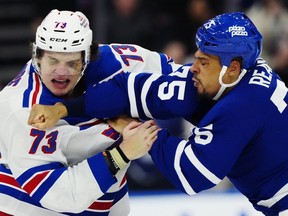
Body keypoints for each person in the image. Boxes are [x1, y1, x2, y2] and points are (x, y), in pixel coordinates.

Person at [29, 12, 288, 215]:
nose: (193, 68)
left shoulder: (242, 106)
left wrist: (145, 135)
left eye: (203, 61)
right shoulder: (233, 75)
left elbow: (193, 174)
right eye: (197, 58)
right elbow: (134, 90)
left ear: (232, 68)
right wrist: (63, 109)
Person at [0, 9, 166, 215]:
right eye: (52, 60)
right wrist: (123, 153)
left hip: (104, 202)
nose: (61, 72)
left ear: (86, 58)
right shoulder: (22, 110)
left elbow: (182, 78)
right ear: (37, 56)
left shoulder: (116, 62)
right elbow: (62, 195)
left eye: (71, 62)